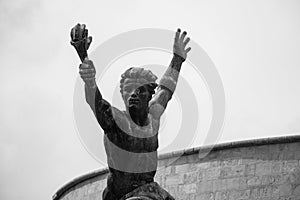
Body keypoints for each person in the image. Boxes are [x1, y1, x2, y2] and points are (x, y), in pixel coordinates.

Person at [70, 24, 191, 200]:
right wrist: (84, 61)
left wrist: (177, 60)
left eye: (139, 90)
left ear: (149, 95)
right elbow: (95, 101)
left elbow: (165, 90)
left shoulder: (153, 117)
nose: (132, 95)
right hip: (121, 195)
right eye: (128, 91)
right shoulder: (117, 121)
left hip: (149, 190)